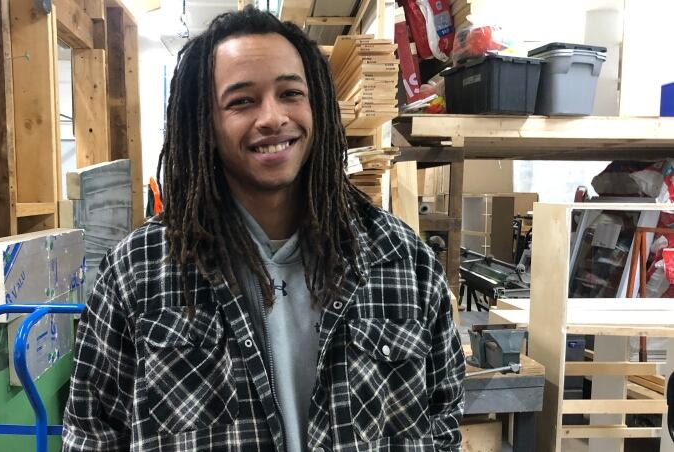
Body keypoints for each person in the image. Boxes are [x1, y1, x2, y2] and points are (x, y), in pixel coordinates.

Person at [62, 6, 464, 452]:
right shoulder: (139, 271)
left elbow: (441, 424)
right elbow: (91, 436)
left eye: (290, 93)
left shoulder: (403, 263)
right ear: (206, 125)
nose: (272, 117)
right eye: (241, 101)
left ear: (318, 108)